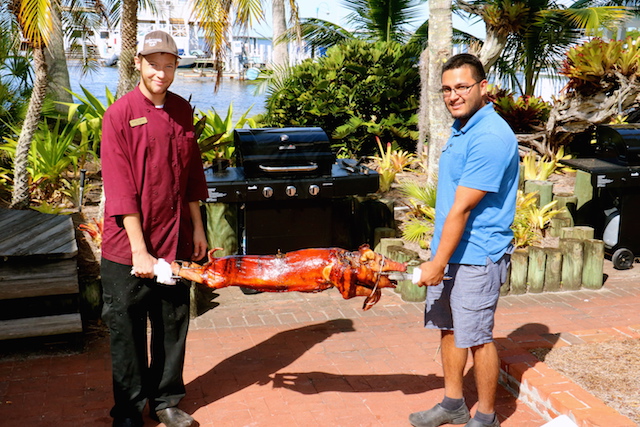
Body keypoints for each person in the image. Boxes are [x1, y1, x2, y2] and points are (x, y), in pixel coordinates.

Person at [100, 30, 208, 427]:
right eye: (153, 64)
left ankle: (166, 401)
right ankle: (129, 410)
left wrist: (198, 229)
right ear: (138, 64)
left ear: (176, 67)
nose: (160, 73)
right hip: (127, 246)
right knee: (125, 329)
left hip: (175, 238)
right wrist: (139, 250)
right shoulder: (118, 115)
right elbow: (120, 188)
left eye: (168, 65)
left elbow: (191, 175)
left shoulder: (181, 110)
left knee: (172, 325)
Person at [409, 53, 519, 427]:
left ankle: (486, 416)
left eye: (461, 87)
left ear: (483, 87)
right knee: (449, 329)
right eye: (446, 89)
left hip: (478, 255)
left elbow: (463, 207)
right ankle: (453, 404)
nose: (453, 95)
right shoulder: (462, 128)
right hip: (451, 250)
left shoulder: (490, 136)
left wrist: (437, 263)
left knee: (477, 337)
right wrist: (439, 255)